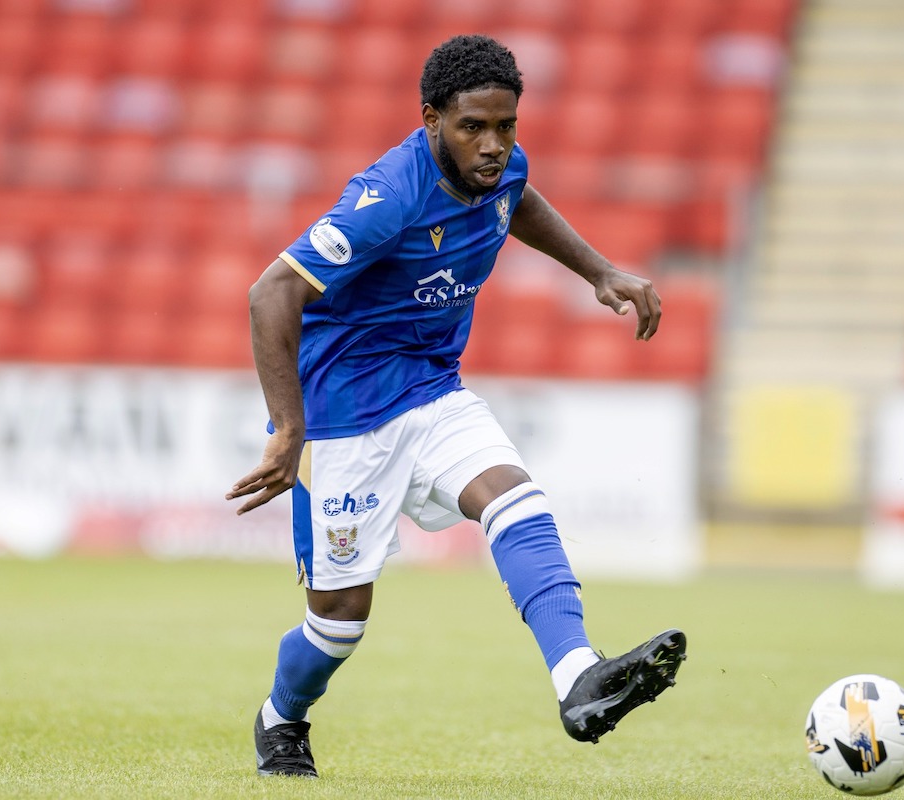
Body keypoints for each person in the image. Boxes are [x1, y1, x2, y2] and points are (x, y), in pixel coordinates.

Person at [226, 33, 687, 778]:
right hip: (345, 413)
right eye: (473, 126)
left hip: (433, 387)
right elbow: (269, 292)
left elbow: (518, 199)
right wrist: (288, 429)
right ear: (431, 117)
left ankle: (577, 678)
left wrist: (599, 271)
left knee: (517, 501)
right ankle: (282, 718)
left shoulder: (503, 169)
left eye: (506, 126)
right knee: (338, 624)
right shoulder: (387, 198)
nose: (494, 145)